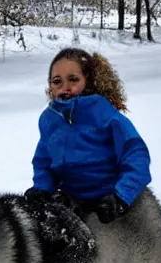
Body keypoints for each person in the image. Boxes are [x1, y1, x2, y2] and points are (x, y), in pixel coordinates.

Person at [25, 47, 151, 224]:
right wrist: (43, 188)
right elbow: (42, 161)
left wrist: (121, 196)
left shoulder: (104, 114)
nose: (65, 88)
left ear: (89, 81)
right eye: (57, 81)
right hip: (69, 199)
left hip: (106, 198)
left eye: (73, 80)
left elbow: (136, 154)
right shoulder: (49, 119)